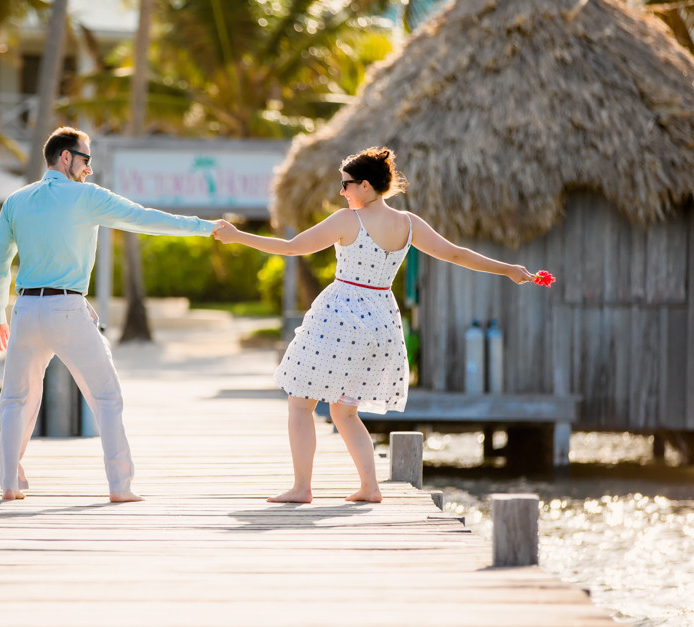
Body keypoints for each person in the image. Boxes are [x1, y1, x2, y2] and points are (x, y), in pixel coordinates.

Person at [212, 147, 537, 504]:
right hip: (382, 321)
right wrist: (508, 269)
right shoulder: (409, 223)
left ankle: (302, 487)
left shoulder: (348, 220)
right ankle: (370, 487)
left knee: (300, 403)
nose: (342, 192)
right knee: (344, 410)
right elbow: (457, 254)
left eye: (346, 185)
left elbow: (292, 248)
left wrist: (238, 236)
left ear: (365, 186)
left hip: (341, 315)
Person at [0, 126, 219, 503]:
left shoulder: (16, 200)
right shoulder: (87, 197)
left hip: (26, 309)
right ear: (66, 157)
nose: (89, 169)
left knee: (14, 399)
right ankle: (120, 487)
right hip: (66, 310)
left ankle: (9, 484)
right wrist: (205, 227)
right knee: (106, 396)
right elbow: (145, 219)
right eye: (86, 160)